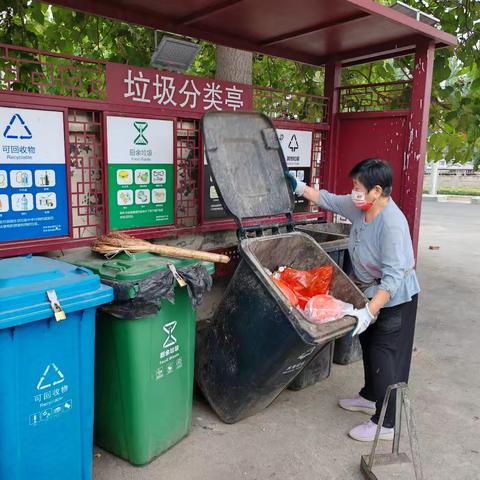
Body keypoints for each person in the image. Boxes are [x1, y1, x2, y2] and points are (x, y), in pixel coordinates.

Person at [285, 159, 420, 442]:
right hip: (368, 292)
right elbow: (329, 200)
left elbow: (393, 278)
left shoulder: (392, 224)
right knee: (369, 347)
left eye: (358, 188)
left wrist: (370, 312)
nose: (353, 192)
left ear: (377, 191)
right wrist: (298, 187)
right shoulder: (362, 207)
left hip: (394, 299)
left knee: (385, 354)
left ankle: (386, 423)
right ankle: (370, 397)